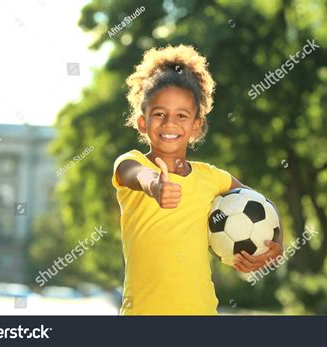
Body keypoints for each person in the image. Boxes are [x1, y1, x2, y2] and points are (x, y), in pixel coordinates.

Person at [112, 44, 283, 315]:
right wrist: (155, 186)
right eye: (159, 114)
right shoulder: (131, 163)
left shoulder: (211, 178)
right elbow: (136, 176)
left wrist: (277, 245)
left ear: (196, 126)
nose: (170, 123)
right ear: (142, 122)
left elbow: (264, 204)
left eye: (181, 115)